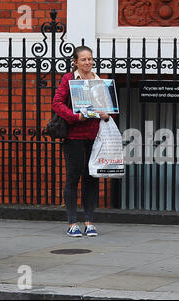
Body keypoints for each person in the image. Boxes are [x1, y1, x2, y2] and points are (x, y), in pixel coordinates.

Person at [52, 45, 111, 237]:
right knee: (73, 177)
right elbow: (57, 103)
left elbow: (108, 108)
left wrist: (106, 114)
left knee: (91, 177)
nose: (88, 62)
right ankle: (72, 223)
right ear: (75, 62)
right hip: (74, 136)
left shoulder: (99, 81)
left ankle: (89, 221)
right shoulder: (69, 79)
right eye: (84, 59)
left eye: (90, 59)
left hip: (94, 136)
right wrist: (74, 117)